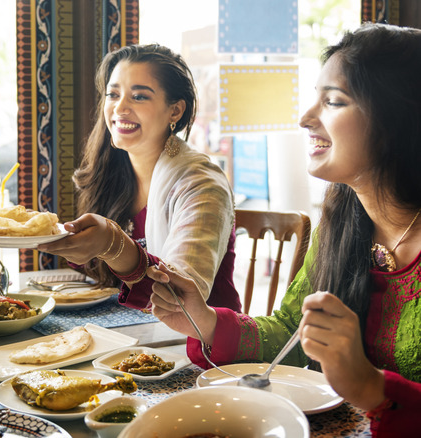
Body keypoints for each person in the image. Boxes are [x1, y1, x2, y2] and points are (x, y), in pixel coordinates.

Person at [148, 23, 421, 437]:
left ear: (399, 117)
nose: (305, 118)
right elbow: (291, 336)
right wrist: (204, 322)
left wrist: (370, 387)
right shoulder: (346, 224)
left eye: (333, 101)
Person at [38, 43, 241, 317]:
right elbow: (95, 269)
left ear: (175, 111)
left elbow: (179, 297)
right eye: (113, 94)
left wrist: (112, 244)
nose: (119, 108)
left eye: (139, 97)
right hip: (132, 329)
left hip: (201, 344)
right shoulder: (113, 171)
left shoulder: (201, 183)